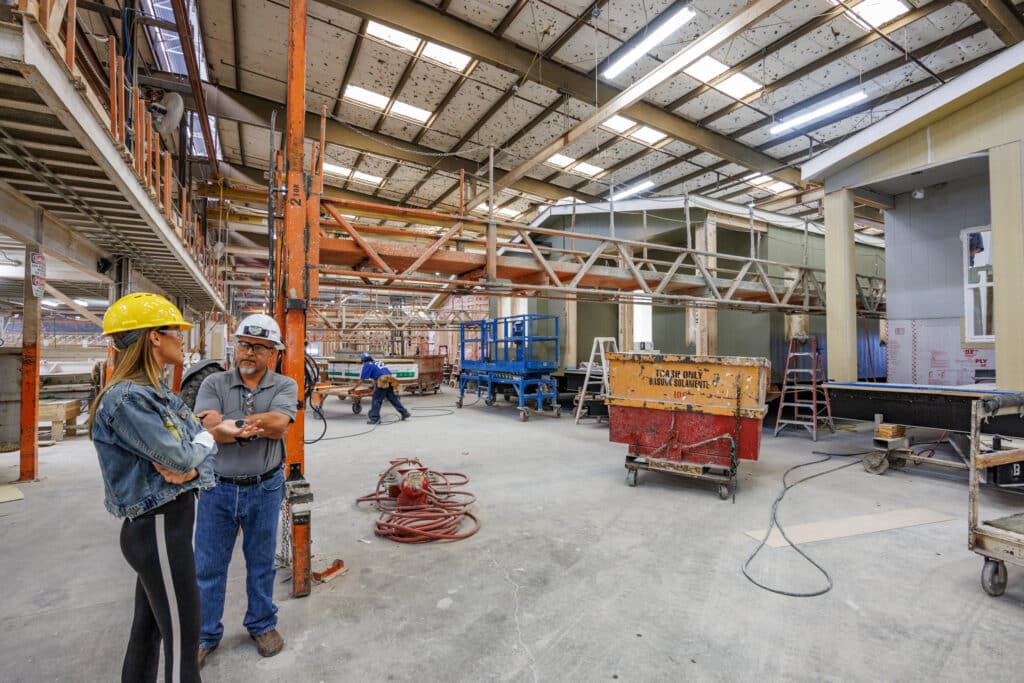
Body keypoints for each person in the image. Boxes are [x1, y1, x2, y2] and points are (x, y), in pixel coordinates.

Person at [89, 293, 257, 683]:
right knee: (184, 641)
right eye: (176, 333)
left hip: (169, 524)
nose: (183, 340)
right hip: (157, 527)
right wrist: (207, 440)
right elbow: (183, 455)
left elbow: (191, 451)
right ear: (153, 338)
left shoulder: (159, 394)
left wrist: (197, 452)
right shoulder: (126, 400)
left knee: (147, 634)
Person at [192, 313, 298, 665]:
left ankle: (262, 623)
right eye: (244, 345)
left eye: (259, 347)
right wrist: (246, 425)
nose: (249, 353)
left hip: (264, 488)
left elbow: (279, 424)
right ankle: (205, 632)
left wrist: (230, 425)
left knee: (261, 562)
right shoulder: (214, 383)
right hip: (217, 488)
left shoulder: (284, 386)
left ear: (273, 353)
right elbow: (206, 425)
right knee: (208, 564)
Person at [355, 352, 410, 425]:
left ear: (363, 360)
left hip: (382, 381)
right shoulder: (377, 362)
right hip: (389, 379)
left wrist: (353, 388)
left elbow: (361, 380)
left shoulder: (367, 365)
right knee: (393, 398)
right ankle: (404, 413)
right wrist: (372, 385)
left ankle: (375, 419)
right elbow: (378, 375)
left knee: (376, 400)